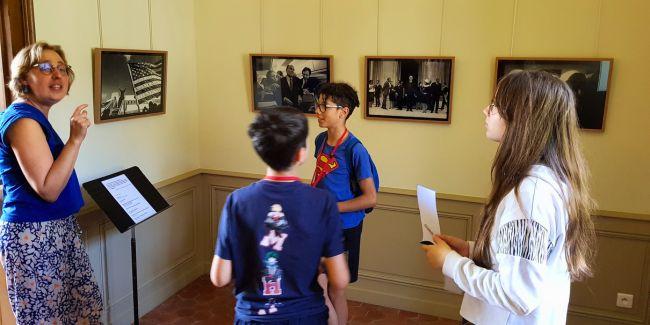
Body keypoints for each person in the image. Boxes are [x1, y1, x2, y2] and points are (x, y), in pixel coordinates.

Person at [420, 70, 597, 324]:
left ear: (521, 117)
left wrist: (449, 262)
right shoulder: (551, 181)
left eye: (494, 105)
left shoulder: (531, 195)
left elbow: (517, 294)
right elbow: (525, 262)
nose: (485, 111)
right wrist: (471, 250)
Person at [210, 107, 349, 324]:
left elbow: (219, 278)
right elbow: (340, 280)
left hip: (253, 318)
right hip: (306, 316)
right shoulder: (322, 202)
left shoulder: (237, 201)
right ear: (301, 154)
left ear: (260, 150)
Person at [0, 42, 102, 324]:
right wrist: (75, 140)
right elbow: (48, 189)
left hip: (54, 230)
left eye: (62, 68)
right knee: (46, 318)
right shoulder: (23, 120)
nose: (57, 75)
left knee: (78, 311)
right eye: (45, 67)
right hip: (34, 236)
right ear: (23, 79)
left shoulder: (34, 118)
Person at [311, 82, 377, 286]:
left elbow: (370, 198)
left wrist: (332, 207)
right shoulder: (320, 140)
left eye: (324, 106)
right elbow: (323, 177)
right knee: (319, 283)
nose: (318, 111)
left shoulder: (355, 150)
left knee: (336, 289)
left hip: (345, 228)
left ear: (343, 112)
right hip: (321, 222)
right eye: (317, 105)